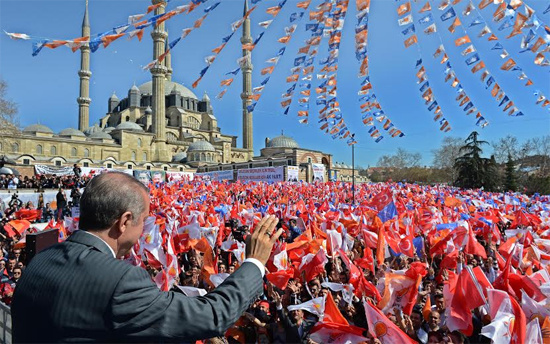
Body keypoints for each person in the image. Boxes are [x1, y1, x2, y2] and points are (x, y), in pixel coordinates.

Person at [12, 172, 284, 342]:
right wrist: (254, 262)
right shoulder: (120, 281)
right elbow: (212, 316)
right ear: (124, 221)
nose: (144, 231)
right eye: (143, 221)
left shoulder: (41, 260)